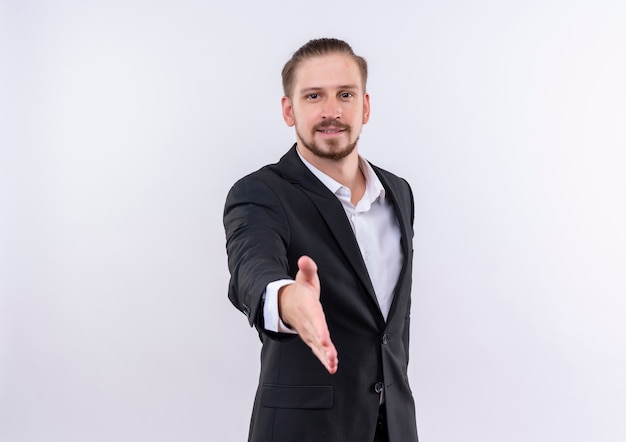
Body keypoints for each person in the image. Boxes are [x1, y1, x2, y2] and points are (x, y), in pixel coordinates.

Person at [223, 38, 418, 442]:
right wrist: (288, 300)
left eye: (344, 94)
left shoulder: (399, 193)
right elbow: (252, 267)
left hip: (395, 427)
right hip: (305, 431)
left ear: (364, 106)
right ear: (288, 110)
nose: (332, 111)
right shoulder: (260, 193)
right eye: (314, 96)